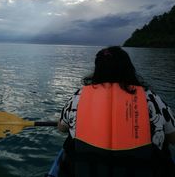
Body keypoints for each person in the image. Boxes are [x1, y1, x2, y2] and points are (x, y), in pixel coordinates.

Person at [58, 46, 175, 177]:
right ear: (128, 69)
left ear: (98, 70)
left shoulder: (77, 98)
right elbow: (173, 138)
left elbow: (62, 128)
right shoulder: (152, 99)